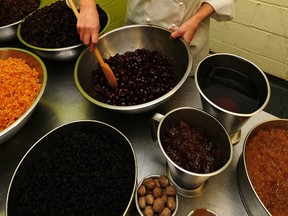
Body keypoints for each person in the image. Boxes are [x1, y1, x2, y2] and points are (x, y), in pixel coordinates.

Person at [77, 0, 236, 73]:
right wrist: (87, 5)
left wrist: (197, 19)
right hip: (138, 30)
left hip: (190, 31)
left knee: (184, 92)